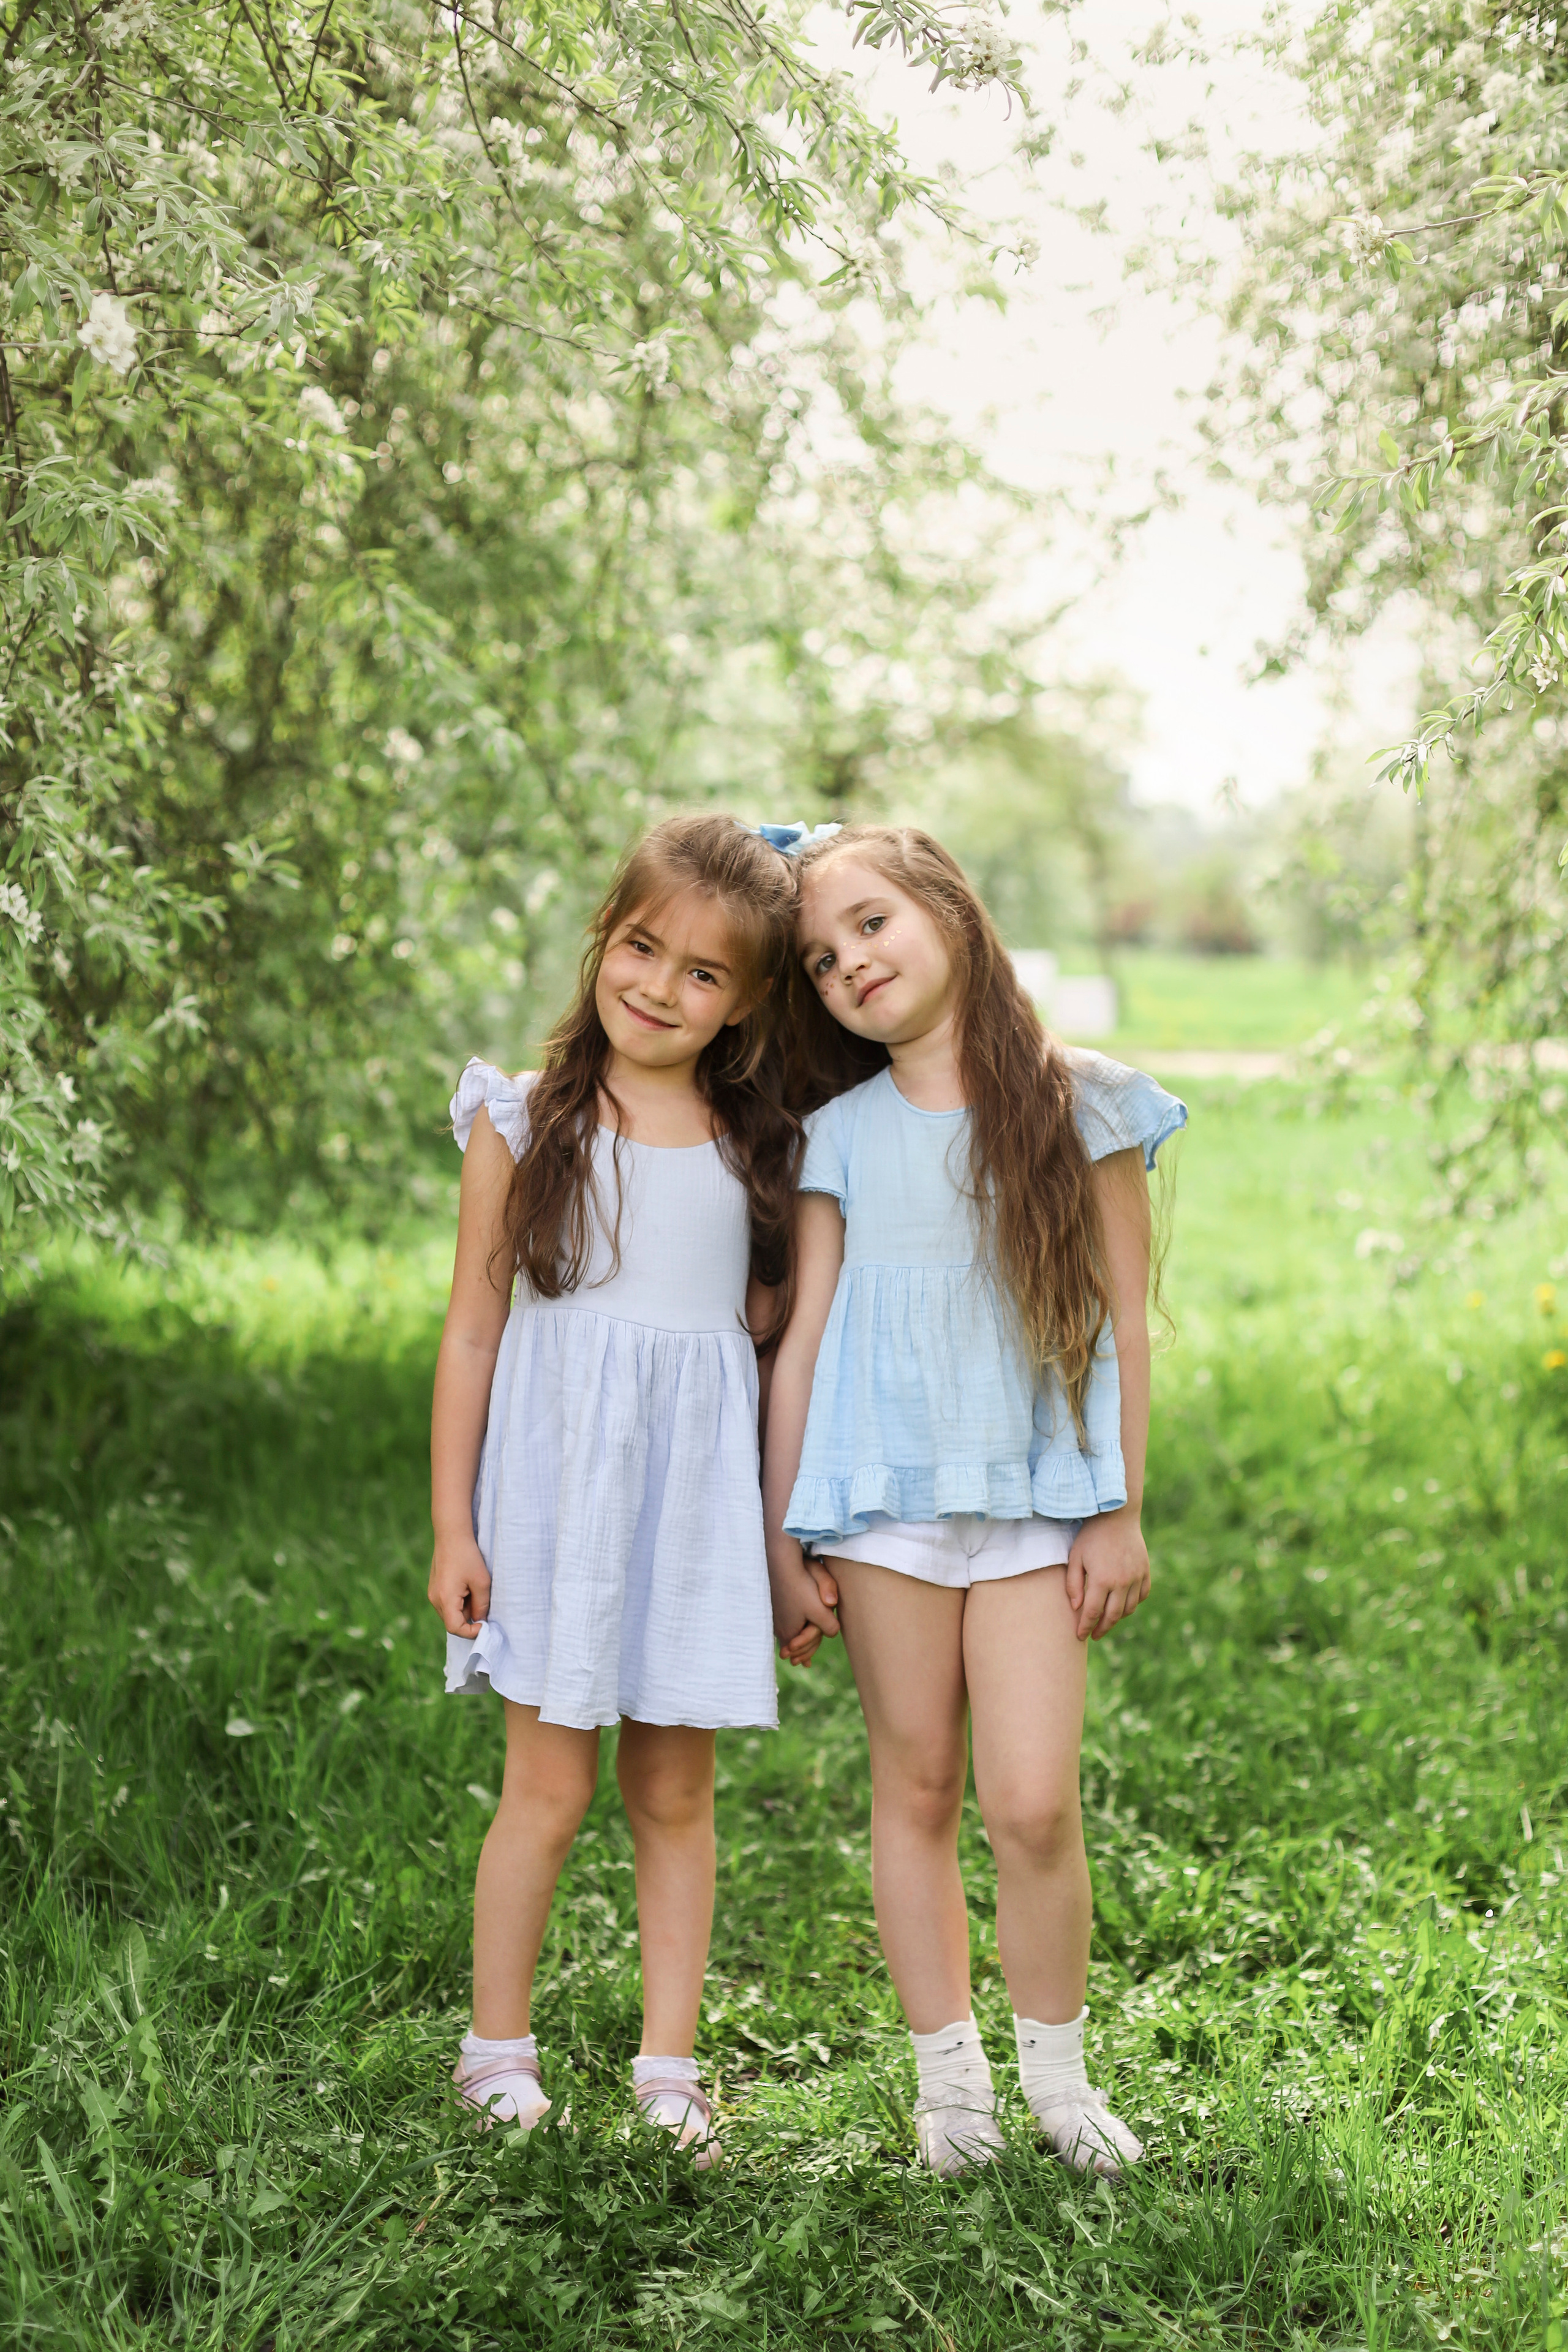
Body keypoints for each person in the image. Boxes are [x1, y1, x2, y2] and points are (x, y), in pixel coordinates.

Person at [762, 824, 1186, 2178]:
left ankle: (1057, 2082)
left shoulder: (1086, 1103)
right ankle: (951, 2094)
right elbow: (806, 1344)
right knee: (919, 1784)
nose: (851, 966)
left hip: (1030, 1501)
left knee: (1031, 1803)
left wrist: (1114, 1509)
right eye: (823, 960)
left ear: (948, 909)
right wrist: (786, 1537)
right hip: (882, 1499)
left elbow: (1123, 1317)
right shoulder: (838, 1137)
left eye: (872, 924)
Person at [428, 815, 799, 2167]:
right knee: (547, 1787)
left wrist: (778, 1552)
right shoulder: (523, 1118)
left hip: (688, 1509)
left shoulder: (757, 1149)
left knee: (672, 1792)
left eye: (702, 973)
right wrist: (454, 1524)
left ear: (747, 1003)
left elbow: (763, 1355)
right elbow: (472, 1333)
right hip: (552, 1498)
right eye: (641, 948)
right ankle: (495, 2051)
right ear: (605, 937)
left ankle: (667, 2065)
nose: (658, 986)